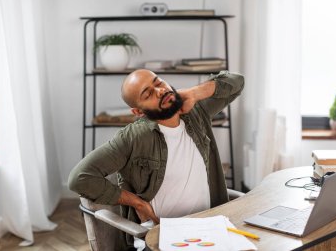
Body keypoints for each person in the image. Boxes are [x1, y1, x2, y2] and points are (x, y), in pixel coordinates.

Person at [68, 69, 244, 250]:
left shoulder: (196, 112)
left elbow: (237, 82)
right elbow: (79, 177)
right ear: (138, 111)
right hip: (161, 237)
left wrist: (194, 93)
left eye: (158, 83)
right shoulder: (133, 138)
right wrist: (136, 202)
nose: (160, 91)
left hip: (209, 229)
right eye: (148, 94)